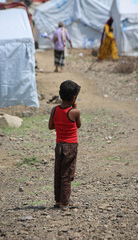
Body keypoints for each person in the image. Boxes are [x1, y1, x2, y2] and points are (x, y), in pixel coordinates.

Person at [48, 80, 81, 210]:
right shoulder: (75, 112)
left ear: (60, 94)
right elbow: (78, 125)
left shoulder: (54, 109)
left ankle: (58, 200)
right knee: (67, 174)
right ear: (74, 98)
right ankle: (65, 203)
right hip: (71, 147)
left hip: (59, 145)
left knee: (58, 173)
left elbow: (51, 127)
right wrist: (74, 107)